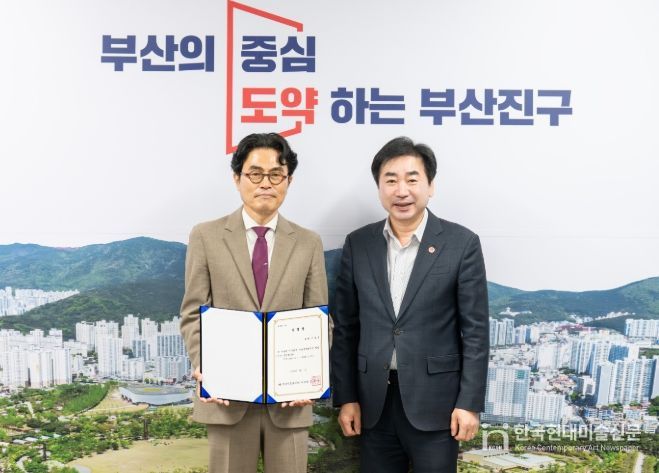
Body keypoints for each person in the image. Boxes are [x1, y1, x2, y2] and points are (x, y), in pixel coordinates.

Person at [331, 136, 489, 473]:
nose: (401, 190)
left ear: (430, 186)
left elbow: (475, 332)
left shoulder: (461, 244)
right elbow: (346, 328)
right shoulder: (359, 244)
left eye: (412, 179)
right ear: (379, 188)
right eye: (390, 180)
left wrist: (469, 404)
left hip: (438, 406)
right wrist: (346, 397)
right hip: (373, 404)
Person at [180, 132, 328, 473]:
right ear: (237, 178)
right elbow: (192, 312)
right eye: (255, 173)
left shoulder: (308, 242)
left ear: (289, 180)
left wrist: (311, 377)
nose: (266, 183)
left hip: (290, 402)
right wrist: (206, 365)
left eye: (276, 174)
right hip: (226, 399)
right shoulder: (205, 236)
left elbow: (319, 318)